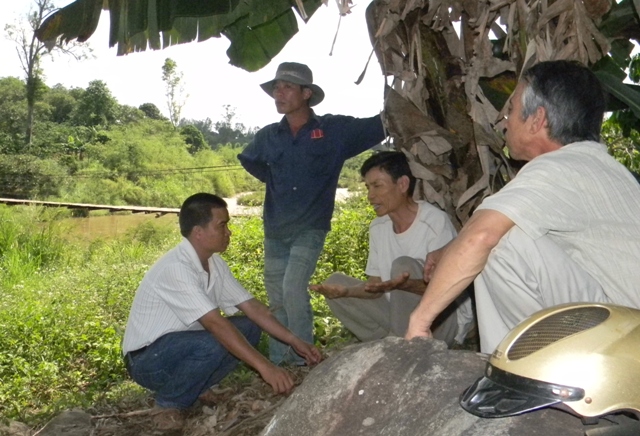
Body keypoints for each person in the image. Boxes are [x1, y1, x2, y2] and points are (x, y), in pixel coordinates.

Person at [405, 60, 640, 353]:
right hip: (627, 327)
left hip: (626, 341)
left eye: (511, 110)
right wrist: (450, 251)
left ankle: (521, 378)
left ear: (537, 119)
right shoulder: (600, 167)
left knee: (499, 245)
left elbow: (482, 237)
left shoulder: (559, 167)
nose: (503, 122)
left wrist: (420, 322)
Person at [122, 193, 322, 430]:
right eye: (222, 225)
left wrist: (295, 341)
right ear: (198, 232)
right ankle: (168, 403)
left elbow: (253, 308)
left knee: (248, 327)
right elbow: (215, 324)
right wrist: (266, 367)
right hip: (148, 360)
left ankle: (199, 386)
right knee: (217, 340)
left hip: (184, 347)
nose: (229, 232)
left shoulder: (215, 263)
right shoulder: (176, 268)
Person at [238, 62, 386, 365]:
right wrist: (279, 181)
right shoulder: (268, 136)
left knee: (293, 288)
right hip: (275, 229)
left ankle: (303, 359)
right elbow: (251, 161)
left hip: (310, 227)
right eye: (276, 87)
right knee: (277, 299)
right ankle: (281, 361)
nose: (279, 93)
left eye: (287, 87)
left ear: (307, 93)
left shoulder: (334, 131)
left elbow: (380, 124)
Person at [310, 151, 474, 346]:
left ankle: (397, 347)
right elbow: (376, 286)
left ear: (403, 184)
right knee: (335, 281)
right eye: (368, 187)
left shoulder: (434, 221)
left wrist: (403, 285)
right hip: (399, 319)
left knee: (402, 265)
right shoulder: (378, 227)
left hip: (441, 322)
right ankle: (388, 344)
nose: (371, 196)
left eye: (377, 186)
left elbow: (448, 287)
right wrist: (345, 292)